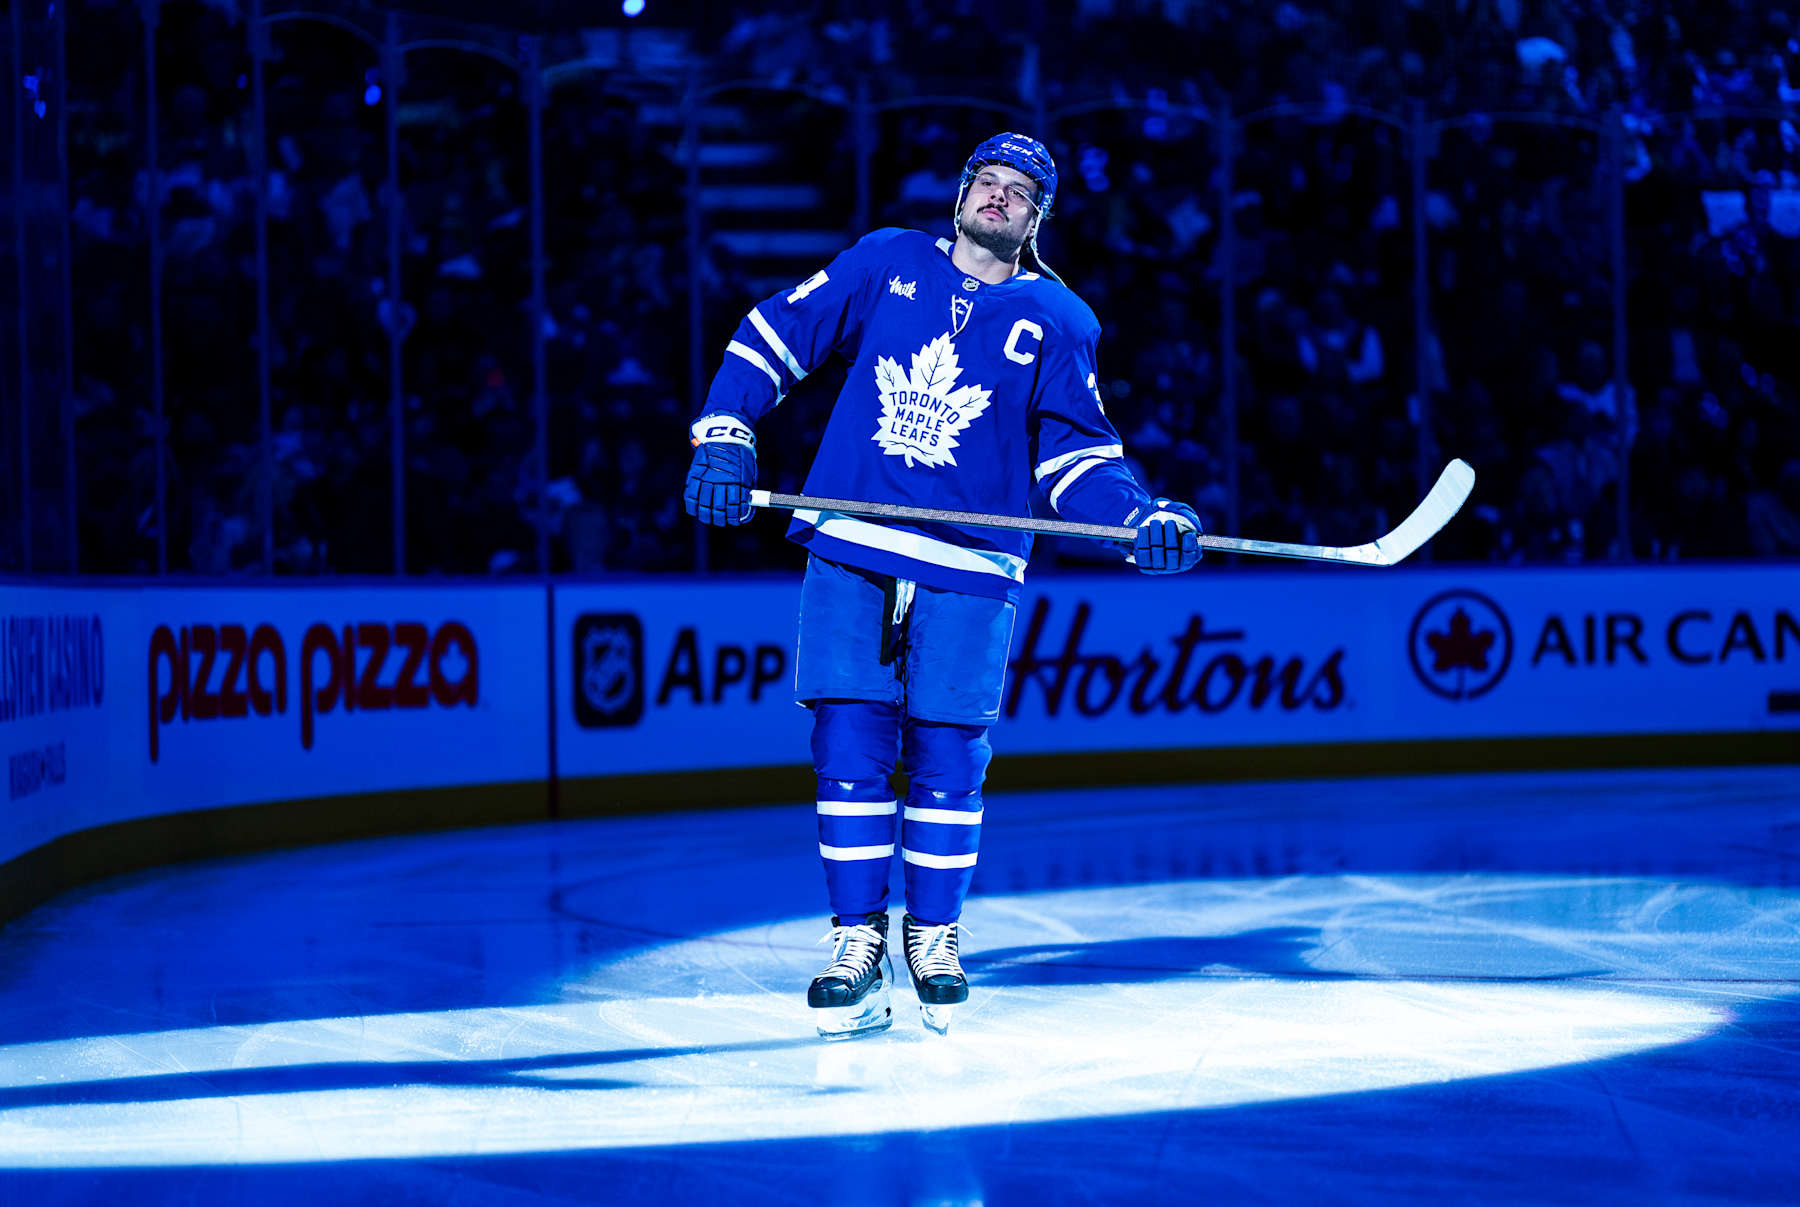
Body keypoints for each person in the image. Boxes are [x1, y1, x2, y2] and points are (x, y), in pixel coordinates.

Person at [683, 133, 1204, 1039]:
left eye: (1018, 192)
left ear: (1037, 219)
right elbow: (774, 335)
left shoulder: (1060, 319)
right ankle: (856, 941)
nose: (998, 196)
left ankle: (932, 935)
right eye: (985, 182)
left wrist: (1136, 520)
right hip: (854, 541)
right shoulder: (886, 260)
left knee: (950, 754)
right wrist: (725, 428)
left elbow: (1079, 459)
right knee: (848, 742)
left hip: (973, 563)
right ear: (961, 195)